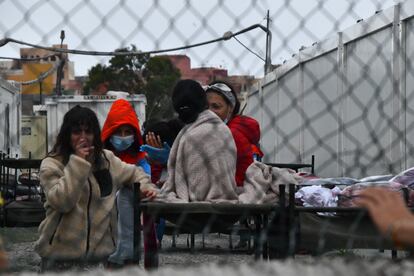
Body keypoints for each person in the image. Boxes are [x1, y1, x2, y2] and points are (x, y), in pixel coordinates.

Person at [35, 105, 156, 272]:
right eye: (77, 132)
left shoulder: (106, 160)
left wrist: (144, 187)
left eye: (88, 132)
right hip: (59, 256)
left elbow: (135, 173)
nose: (83, 137)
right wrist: (78, 162)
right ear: (67, 135)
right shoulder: (52, 164)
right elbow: (62, 201)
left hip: (99, 257)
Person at [160, 79, 238, 203]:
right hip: (226, 208)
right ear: (204, 103)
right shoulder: (225, 131)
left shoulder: (188, 136)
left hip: (194, 208)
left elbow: (184, 181)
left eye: (217, 106)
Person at [101, 98, 155, 268]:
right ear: (110, 133)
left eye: (127, 132)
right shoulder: (103, 158)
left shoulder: (140, 157)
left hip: (131, 220)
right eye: (119, 132)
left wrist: (145, 189)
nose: (123, 137)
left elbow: (144, 179)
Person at [205, 80, 263, 188]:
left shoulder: (230, 134)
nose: (209, 112)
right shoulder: (231, 128)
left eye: (216, 106)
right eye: (206, 107)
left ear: (230, 108)